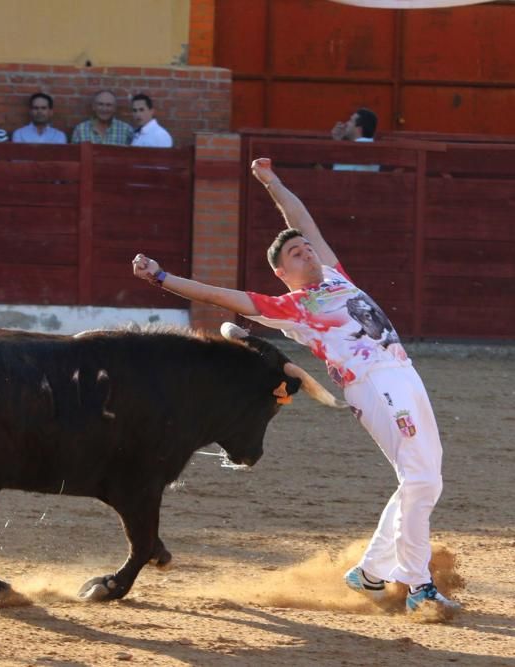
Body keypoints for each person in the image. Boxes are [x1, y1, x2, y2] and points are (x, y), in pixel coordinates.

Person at [131, 157, 461, 617]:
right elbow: (218, 296)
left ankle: (369, 573)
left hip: (403, 374)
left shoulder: (337, 276)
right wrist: (162, 278)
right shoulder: (290, 307)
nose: (307, 252)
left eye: (309, 249)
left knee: (424, 479)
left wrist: (273, 182)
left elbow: (299, 220)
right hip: (371, 384)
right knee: (421, 479)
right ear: (282, 274)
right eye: (296, 254)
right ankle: (417, 584)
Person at [331, 108, 379, 172]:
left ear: (359, 128)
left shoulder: (351, 150)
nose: (346, 123)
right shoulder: (375, 148)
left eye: (350, 121)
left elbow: (337, 174)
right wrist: (338, 141)